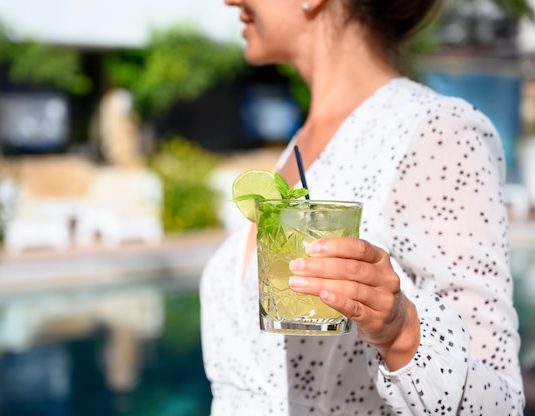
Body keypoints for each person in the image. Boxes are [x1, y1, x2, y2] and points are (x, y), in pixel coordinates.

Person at [199, 0, 526, 414]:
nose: (229, 0)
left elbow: (503, 405)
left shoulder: (437, 132)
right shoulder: (300, 141)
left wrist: (403, 333)